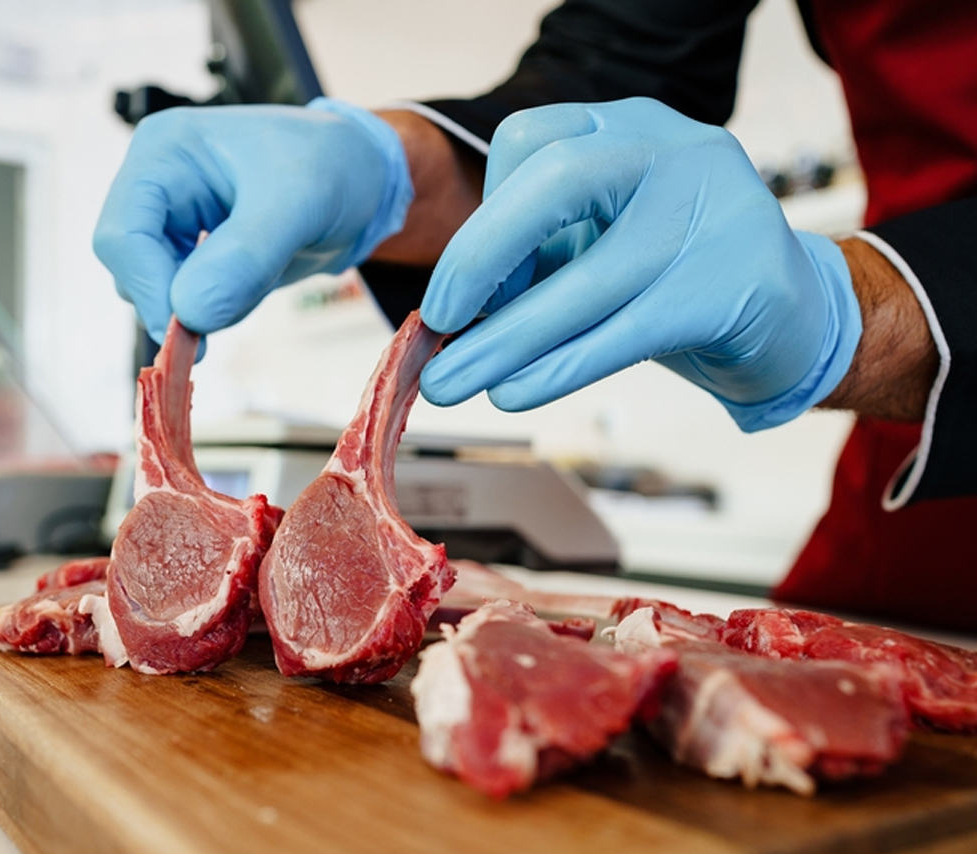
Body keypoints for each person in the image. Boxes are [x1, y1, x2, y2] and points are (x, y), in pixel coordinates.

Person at [93, 0, 977, 632]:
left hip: (926, 420)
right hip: (905, 533)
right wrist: (394, 168)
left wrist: (865, 310)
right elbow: (624, 53)